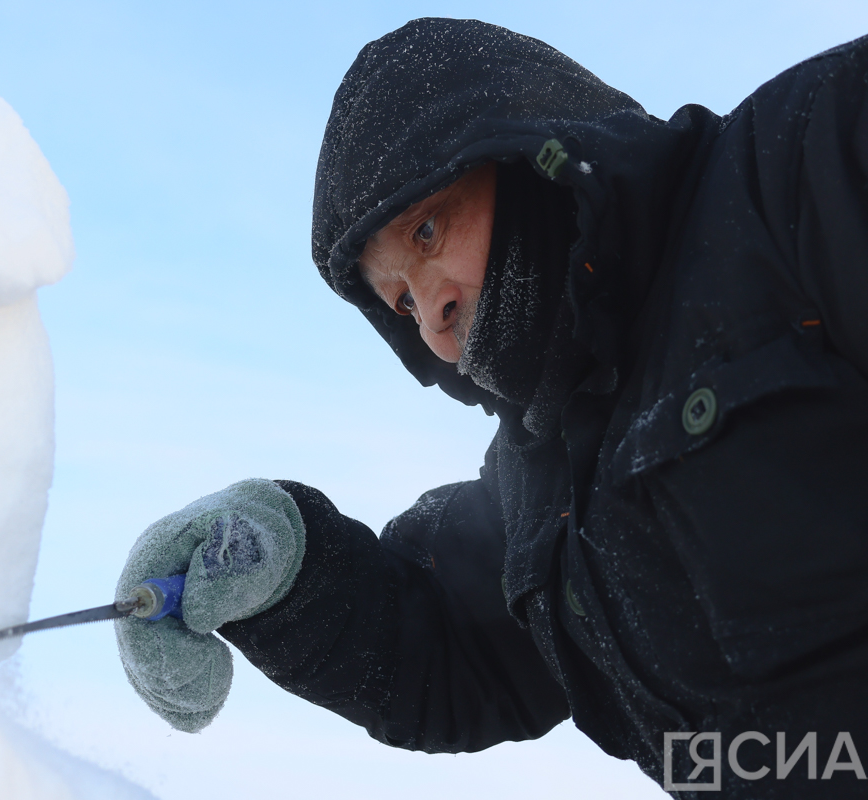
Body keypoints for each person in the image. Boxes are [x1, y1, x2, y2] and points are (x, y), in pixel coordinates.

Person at [114, 18, 868, 797]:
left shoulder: (798, 173)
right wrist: (281, 568)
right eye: (400, 300)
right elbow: (445, 638)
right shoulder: (542, 496)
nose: (432, 310)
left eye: (429, 229)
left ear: (524, 151)